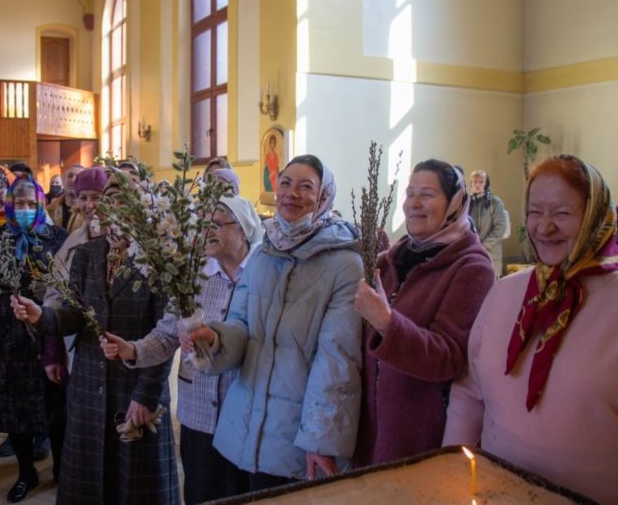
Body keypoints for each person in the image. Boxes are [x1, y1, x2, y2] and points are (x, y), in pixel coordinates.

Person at [444, 155, 618, 504]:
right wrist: (451, 474)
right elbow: (469, 391)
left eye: (562, 213)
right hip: (497, 494)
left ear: (596, 217)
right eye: (535, 212)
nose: (544, 227)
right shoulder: (505, 292)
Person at [187, 155, 364, 491]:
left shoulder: (344, 264)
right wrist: (215, 339)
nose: (291, 193)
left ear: (324, 196)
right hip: (245, 425)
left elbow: (337, 358)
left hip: (298, 436)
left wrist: (321, 439)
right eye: (285, 183)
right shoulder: (264, 253)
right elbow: (241, 325)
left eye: (305, 186)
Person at [11, 173, 180, 505]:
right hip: (89, 382)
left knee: (135, 485)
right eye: (109, 201)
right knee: (89, 481)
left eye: (124, 202)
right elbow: (76, 315)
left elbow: (168, 333)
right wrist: (41, 316)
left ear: (142, 208)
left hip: (134, 385)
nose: (114, 209)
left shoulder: (158, 258)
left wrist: (146, 395)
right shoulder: (88, 253)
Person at [101, 194, 262, 503]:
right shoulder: (193, 276)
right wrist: (132, 351)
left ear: (243, 230)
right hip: (198, 413)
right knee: (202, 492)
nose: (206, 232)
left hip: (245, 412)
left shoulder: (262, 276)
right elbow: (166, 335)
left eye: (216, 224)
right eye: (203, 225)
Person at [352, 159, 495, 467]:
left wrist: (387, 323)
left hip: (420, 436)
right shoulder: (390, 260)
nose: (413, 203)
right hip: (373, 429)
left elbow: (449, 358)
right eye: (410, 193)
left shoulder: (472, 268)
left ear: (455, 203)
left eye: (427, 194)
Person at [0, 176, 68, 503]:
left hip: (47, 337)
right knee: (16, 412)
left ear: (41, 205)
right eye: (19, 204)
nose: (25, 210)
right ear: (9, 205)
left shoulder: (57, 238)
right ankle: (26, 472)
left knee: (56, 410)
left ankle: (62, 470)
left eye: (31, 204)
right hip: (8, 339)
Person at [40, 166, 109, 483]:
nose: (90, 204)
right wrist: (53, 351)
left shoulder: (129, 241)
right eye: (83, 197)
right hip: (75, 348)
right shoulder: (73, 242)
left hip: (114, 351)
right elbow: (54, 297)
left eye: (98, 196)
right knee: (77, 418)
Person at [468, 169, 508, 277]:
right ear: (471, 184)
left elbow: (500, 227)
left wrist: (483, 246)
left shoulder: (495, 202)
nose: (477, 185)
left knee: (492, 284)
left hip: (491, 255)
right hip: (472, 253)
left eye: (481, 182)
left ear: (486, 184)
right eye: (475, 182)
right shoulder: (467, 203)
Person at [47, 164, 85, 231]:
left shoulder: (90, 212)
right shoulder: (49, 210)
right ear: (63, 180)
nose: (73, 180)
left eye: (78, 177)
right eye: (70, 176)